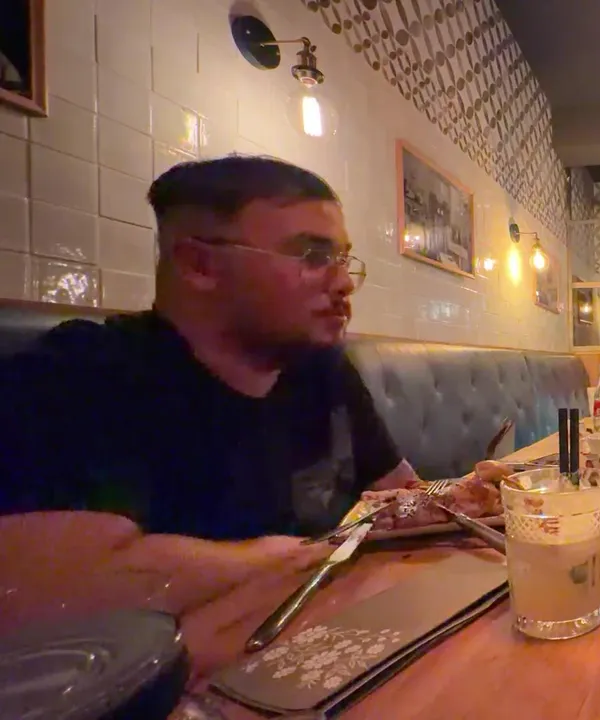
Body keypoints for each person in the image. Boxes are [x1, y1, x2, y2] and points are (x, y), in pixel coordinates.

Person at [0, 156, 419, 541]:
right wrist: (299, 559)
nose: (344, 283)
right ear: (199, 265)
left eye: (343, 260)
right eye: (313, 256)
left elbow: (403, 494)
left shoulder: (322, 365)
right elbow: (44, 571)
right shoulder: (76, 376)